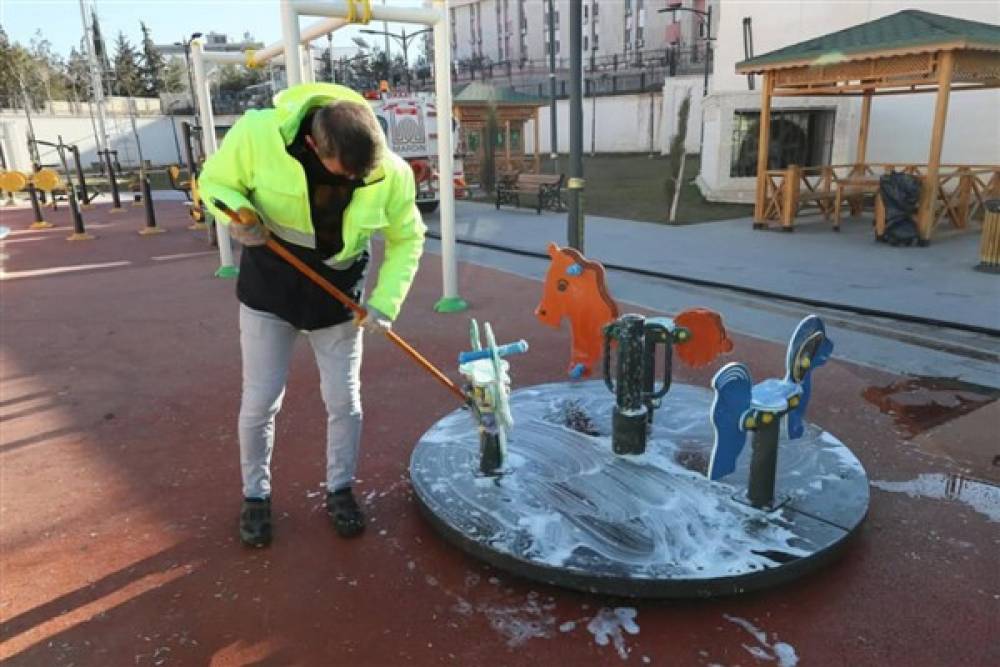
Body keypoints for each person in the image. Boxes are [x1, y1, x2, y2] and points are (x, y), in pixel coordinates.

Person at [200, 82, 425, 547]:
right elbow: (214, 182)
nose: (352, 183)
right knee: (261, 400)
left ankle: (341, 489)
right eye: (343, 174)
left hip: (338, 296)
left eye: (362, 176)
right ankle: (255, 497)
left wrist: (386, 303)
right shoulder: (257, 133)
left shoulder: (391, 170)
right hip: (271, 286)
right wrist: (240, 214)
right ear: (311, 145)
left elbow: (408, 237)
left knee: (345, 402)